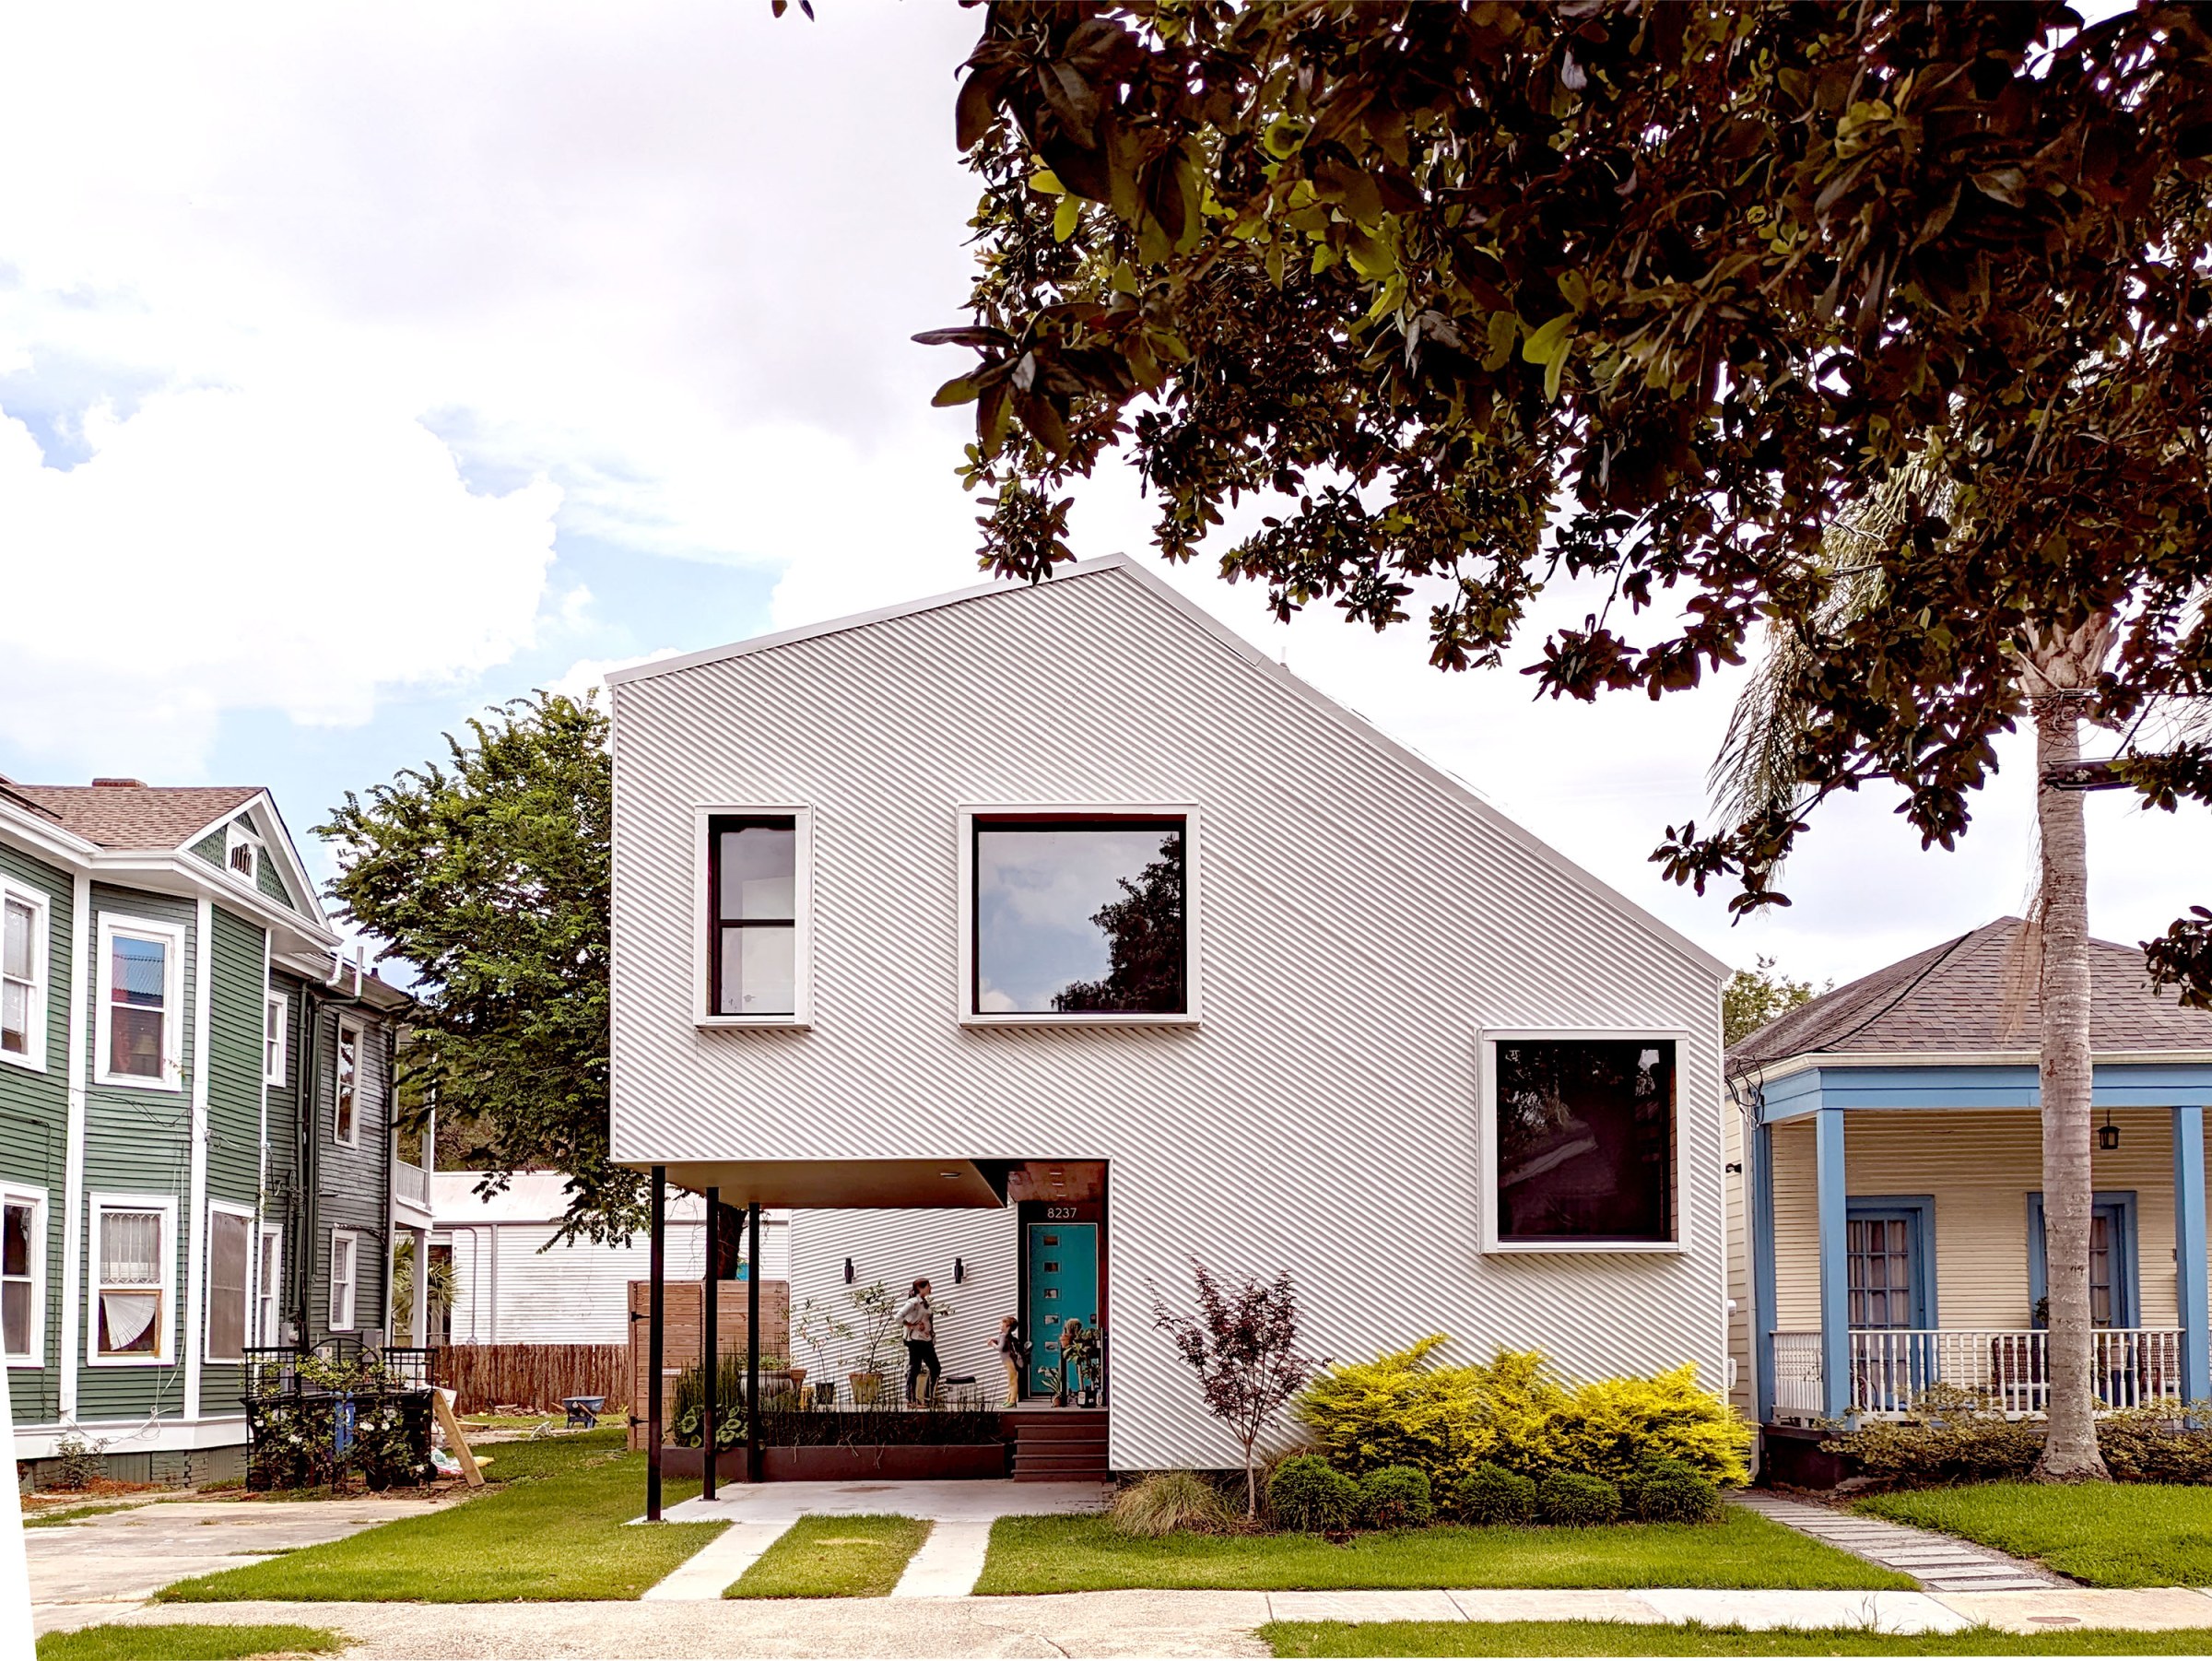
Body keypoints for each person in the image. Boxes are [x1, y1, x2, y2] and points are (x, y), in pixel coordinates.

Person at [897, 1278, 940, 1406]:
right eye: (928, 1285)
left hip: (926, 1340)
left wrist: (931, 1335)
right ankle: (911, 1398)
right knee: (915, 1368)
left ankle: (924, 1396)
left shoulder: (924, 1303)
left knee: (935, 1367)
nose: (930, 1287)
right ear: (921, 1288)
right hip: (916, 1340)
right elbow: (898, 1317)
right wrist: (912, 1326)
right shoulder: (913, 1303)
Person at [996, 1315, 1027, 1408]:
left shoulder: (1004, 1336)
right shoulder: (1008, 1336)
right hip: (1009, 1360)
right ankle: (1008, 1399)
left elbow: (1000, 1347)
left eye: (1002, 1324)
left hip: (1009, 1361)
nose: (999, 1325)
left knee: (1012, 1381)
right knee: (1011, 1380)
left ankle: (1012, 1401)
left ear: (1007, 1327)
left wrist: (992, 1344)